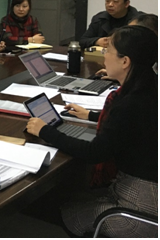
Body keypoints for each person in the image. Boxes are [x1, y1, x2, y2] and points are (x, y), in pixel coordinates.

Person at [26, 26, 158, 237]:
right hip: (146, 189)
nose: (104, 56)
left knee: (52, 210)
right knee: (68, 197)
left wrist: (45, 131)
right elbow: (131, 125)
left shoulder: (130, 103)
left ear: (125, 61)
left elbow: (94, 153)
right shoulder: (149, 87)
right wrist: (91, 115)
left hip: (141, 206)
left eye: (108, 51)